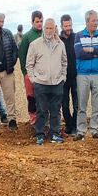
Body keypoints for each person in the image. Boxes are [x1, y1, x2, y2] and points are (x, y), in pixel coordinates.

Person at [26, 17, 67, 145]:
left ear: (55, 29)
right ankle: (40, 135)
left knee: (55, 110)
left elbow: (64, 62)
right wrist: (33, 79)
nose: (49, 30)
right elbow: (29, 64)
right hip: (41, 84)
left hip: (57, 83)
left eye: (51, 28)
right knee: (41, 110)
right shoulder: (35, 44)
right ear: (44, 28)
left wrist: (63, 77)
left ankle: (55, 134)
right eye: (47, 28)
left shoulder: (60, 44)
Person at [73, 10, 98, 140]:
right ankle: (81, 131)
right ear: (87, 21)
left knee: (97, 104)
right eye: (94, 20)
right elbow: (79, 53)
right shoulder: (78, 35)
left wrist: (90, 49)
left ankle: (94, 129)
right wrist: (96, 52)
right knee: (81, 104)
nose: (96, 23)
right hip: (82, 74)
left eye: (97, 20)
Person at [60, 14, 79, 136]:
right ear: (62, 26)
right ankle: (68, 124)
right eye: (66, 26)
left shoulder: (77, 37)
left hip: (76, 76)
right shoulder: (58, 40)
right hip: (63, 77)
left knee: (77, 104)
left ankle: (75, 126)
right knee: (64, 104)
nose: (68, 28)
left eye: (70, 25)